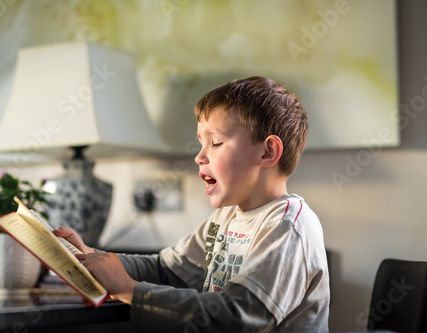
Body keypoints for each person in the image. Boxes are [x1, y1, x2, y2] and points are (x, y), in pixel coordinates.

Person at [54, 76, 330, 332]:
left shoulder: (288, 227)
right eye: (201, 144)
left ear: (268, 151)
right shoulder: (224, 219)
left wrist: (130, 290)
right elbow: (165, 270)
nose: (199, 157)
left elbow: (241, 316)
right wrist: (93, 258)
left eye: (216, 142)